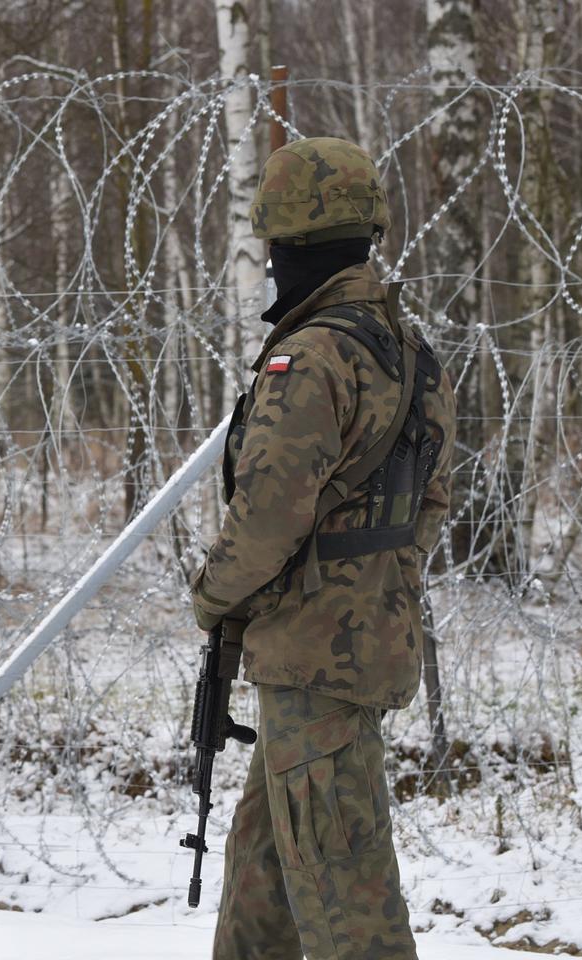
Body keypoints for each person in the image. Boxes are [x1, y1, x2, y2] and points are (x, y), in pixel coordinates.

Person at [189, 136, 457, 960]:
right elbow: (431, 503)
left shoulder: (306, 359)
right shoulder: (407, 353)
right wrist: (371, 590)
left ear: (290, 244)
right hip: (356, 645)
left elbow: (267, 517)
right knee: (262, 887)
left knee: (347, 900)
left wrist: (212, 598)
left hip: (310, 655)